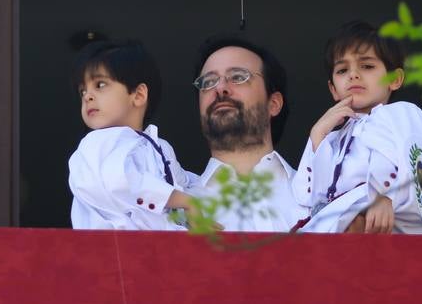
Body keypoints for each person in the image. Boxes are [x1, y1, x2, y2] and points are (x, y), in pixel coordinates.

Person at [292, 21, 422, 234]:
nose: (353, 75)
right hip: (338, 230)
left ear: (395, 79)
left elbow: (416, 155)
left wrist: (385, 196)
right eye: (342, 70)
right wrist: (318, 135)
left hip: (384, 224)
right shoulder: (333, 138)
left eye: (367, 66)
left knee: (353, 223)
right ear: (333, 89)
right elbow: (307, 198)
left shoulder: (402, 114)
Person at [67, 39, 198, 230]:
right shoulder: (95, 143)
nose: (88, 96)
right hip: (111, 251)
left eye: (100, 85)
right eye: (82, 91)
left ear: (138, 95)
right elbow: (120, 182)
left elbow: (185, 183)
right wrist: (184, 200)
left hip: (156, 251)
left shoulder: (160, 146)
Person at [189, 34, 307, 232]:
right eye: (208, 82)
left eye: (237, 77)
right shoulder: (177, 207)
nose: (220, 88)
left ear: (274, 104)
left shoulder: (318, 197)